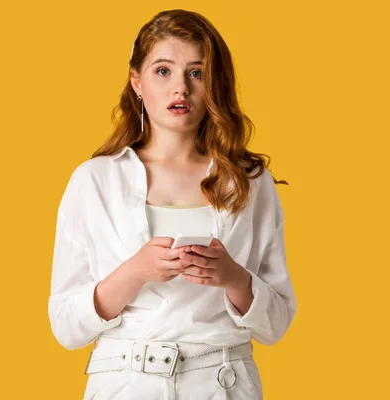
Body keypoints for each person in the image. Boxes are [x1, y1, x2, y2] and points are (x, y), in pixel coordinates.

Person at [48, 9, 297, 400]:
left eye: (196, 73)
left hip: (223, 383)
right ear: (137, 82)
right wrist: (134, 272)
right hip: (123, 383)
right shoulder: (94, 180)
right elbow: (65, 326)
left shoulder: (249, 182)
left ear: (214, 84)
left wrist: (232, 276)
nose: (180, 88)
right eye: (162, 71)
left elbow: (277, 324)